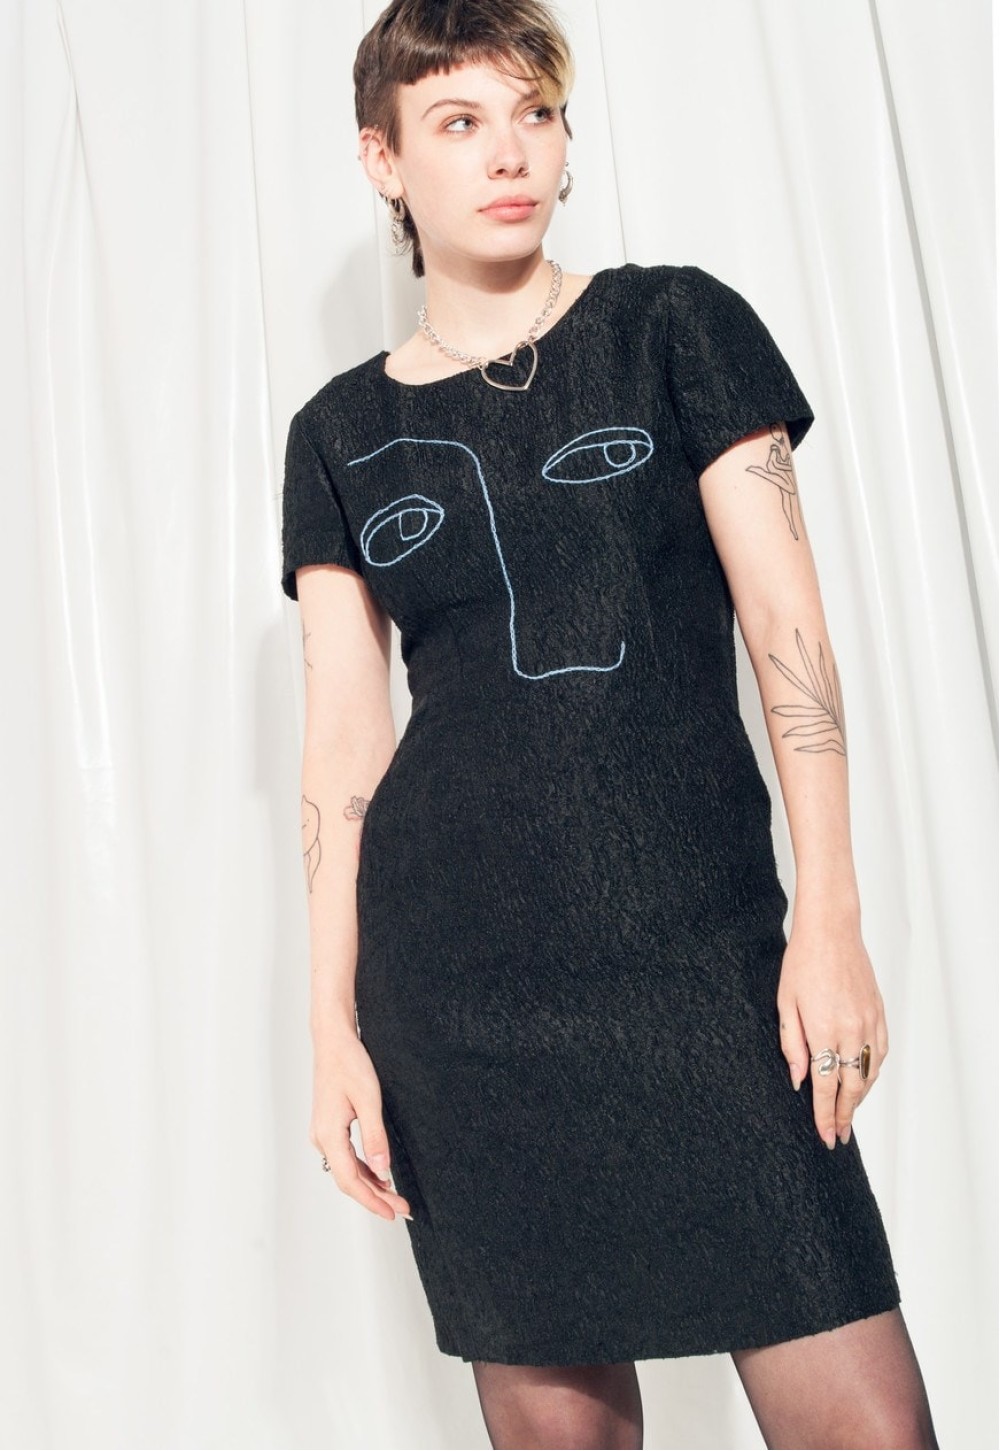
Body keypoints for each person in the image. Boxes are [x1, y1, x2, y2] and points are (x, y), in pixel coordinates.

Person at [280, 2, 940, 1447]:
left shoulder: (675, 325)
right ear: (384, 160)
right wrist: (332, 1028)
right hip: (462, 995)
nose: (508, 152)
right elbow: (342, 752)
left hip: (702, 956)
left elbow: (789, 634)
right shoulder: (336, 434)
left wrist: (829, 919)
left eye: (536, 112)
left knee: (868, 1425)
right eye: (460, 122)